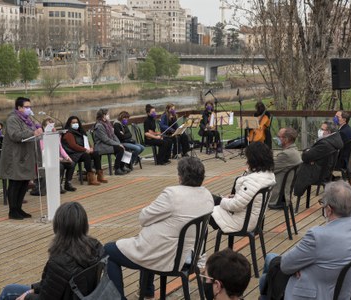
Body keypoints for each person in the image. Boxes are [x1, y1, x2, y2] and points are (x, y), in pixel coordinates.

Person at [104, 157, 214, 300]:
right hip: (190, 256)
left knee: (108, 250)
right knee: (154, 237)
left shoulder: (172, 194)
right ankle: (148, 291)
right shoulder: (207, 195)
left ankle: (118, 298)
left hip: (167, 257)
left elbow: (143, 218)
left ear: (180, 176)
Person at [260, 181, 351, 300]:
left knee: (267, 270)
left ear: (329, 209)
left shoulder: (318, 236)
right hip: (346, 294)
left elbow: (286, 265)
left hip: (315, 294)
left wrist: (301, 267)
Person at [0, 201, 105, 300]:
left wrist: (27, 297)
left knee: (9, 291)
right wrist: (34, 288)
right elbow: (55, 283)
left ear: (58, 225)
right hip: (81, 296)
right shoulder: (95, 247)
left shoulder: (60, 261)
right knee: (12, 289)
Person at [210, 142, 276, 233]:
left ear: (253, 160)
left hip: (241, 222)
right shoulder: (269, 175)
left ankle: (197, 244)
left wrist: (220, 200)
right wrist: (234, 197)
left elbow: (235, 206)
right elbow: (252, 198)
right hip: (252, 218)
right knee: (208, 200)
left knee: (204, 206)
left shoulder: (253, 180)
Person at [0, 97, 43, 220]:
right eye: (26, 107)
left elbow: (32, 132)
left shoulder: (28, 119)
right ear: (19, 108)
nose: (29, 109)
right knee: (15, 182)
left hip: (26, 156)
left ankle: (19, 209)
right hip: (15, 157)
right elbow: (15, 135)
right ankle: (12, 211)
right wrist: (32, 133)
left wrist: (39, 130)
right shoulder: (13, 119)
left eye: (30, 107)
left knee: (24, 182)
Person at [294, 121, 343, 197]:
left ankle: (286, 196)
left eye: (322, 129)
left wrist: (307, 153)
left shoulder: (325, 144)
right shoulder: (335, 139)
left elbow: (305, 157)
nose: (320, 130)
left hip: (319, 173)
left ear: (328, 132)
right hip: (326, 170)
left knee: (293, 169)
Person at [61, 116, 107, 185]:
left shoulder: (80, 131)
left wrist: (91, 148)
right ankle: (90, 177)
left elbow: (87, 141)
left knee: (96, 153)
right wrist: (85, 150)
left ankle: (100, 175)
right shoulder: (68, 133)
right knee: (86, 156)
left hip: (82, 151)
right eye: (73, 123)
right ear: (69, 124)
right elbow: (73, 146)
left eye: (76, 122)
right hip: (73, 153)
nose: (75, 124)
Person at [40, 118, 77, 193]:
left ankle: (68, 183)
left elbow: (61, 149)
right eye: (48, 126)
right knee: (61, 166)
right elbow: (43, 151)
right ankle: (57, 185)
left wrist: (67, 157)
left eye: (52, 126)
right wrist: (56, 158)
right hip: (48, 159)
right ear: (44, 127)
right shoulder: (41, 138)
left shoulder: (56, 136)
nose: (51, 128)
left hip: (58, 159)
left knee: (72, 164)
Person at [268, 128, 302, 209]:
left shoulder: (286, 154)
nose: (277, 138)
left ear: (286, 139)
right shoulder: (295, 151)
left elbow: (268, 169)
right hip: (285, 195)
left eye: (279, 136)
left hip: (277, 196)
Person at [94, 108, 128, 176]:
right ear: (103, 116)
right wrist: (118, 145)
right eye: (107, 114)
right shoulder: (99, 126)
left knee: (123, 147)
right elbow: (106, 139)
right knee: (120, 149)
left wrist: (119, 143)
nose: (108, 116)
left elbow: (113, 135)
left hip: (108, 144)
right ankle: (117, 169)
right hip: (101, 146)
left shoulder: (107, 124)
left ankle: (122, 166)